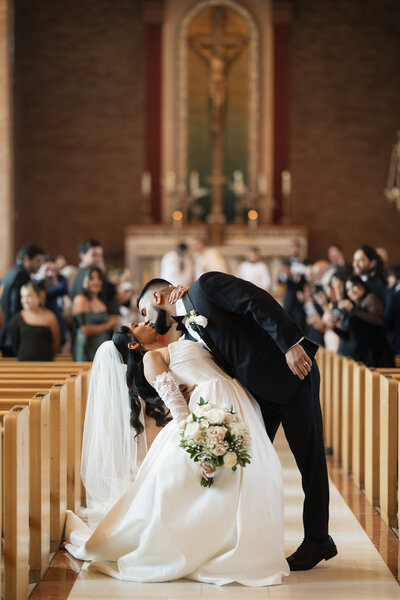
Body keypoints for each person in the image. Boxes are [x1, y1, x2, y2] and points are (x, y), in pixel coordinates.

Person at [135, 275, 337, 571]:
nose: (146, 321)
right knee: (249, 464)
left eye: (142, 313)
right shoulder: (187, 331)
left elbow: (257, 301)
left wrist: (290, 344)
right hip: (257, 394)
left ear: (155, 299)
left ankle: (318, 540)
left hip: (291, 373)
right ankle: (245, 539)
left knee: (310, 460)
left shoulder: (206, 286)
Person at [65, 320, 289, 585]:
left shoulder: (174, 345)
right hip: (210, 411)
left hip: (233, 397)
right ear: (134, 343)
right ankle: (216, 545)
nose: (145, 320)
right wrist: (201, 443)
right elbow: (180, 413)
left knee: (255, 472)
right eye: (137, 324)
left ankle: (239, 542)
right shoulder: (151, 359)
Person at [334, 276, 394, 367]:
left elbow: (378, 320)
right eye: (348, 290)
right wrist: (333, 327)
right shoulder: (354, 306)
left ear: (362, 285)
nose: (352, 291)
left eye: (354, 286)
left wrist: (353, 310)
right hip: (362, 355)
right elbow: (347, 336)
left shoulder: (371, 298)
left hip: (377, 354)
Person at [0, 244, 44, 356]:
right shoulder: (21, 274)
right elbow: (16, 305)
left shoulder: (11, 271)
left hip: (6, 330)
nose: (40, 265)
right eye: (37, 261)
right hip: (15, 332)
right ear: (26, 258)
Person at [72, 266, 120, 361]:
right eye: (91, 278)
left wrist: (112, 319)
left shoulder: (101, 300)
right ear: (83, 281)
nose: (96, 281)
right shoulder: (80, 299)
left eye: (99, 278)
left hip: (103, 351)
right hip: (86, 351)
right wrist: (108, 325)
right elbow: (83, 330)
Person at [11, 281, 60, 361]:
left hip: (46, 363)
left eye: (29, 296)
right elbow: (15, 343)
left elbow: (56, 342)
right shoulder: (17, 318)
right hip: (23, 363)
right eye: (22, 297)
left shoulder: (50, 317)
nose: (25, 300)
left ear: (39, 297)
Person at [70, 239, 119, 312]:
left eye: (100, 255)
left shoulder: (96, 272)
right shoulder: (80, 276)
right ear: (82, 256)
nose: (99, 259)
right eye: (94, 255)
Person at [37, 255, 69, 350]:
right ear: (40, 270)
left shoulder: (58, 282)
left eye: (53, 270)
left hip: (59, 327)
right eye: (47, 270)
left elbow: (63, 289)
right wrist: (41, 278)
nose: (50, 274)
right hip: (42, 328)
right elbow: (50, 292)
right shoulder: (35, 285)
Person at [386, 266, 400, 354]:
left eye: (390, 276)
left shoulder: (393, 296)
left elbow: (388, 318)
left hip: (396, 340)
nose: (388, 279)